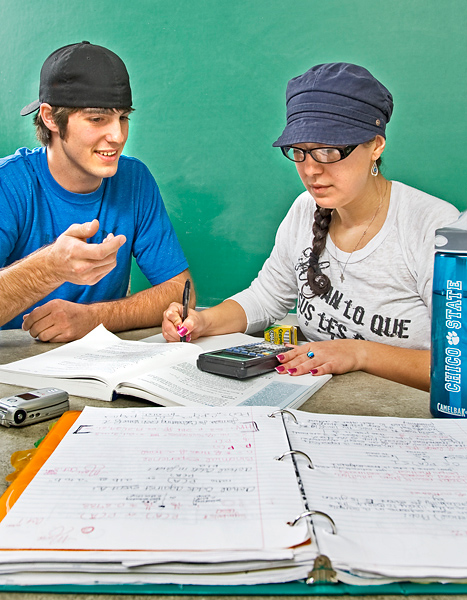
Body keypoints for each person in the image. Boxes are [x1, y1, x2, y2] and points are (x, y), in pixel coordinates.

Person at [162, 62, 459, 391]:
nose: (311, 171)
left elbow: (457, 366)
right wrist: (203, 320)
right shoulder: (305, 210)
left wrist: (359, 353)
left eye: (329, 151)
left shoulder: (435, 229)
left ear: (376, 145)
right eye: (300, 152)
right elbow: (265, 298)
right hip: (313, 402)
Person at [0, 41, 194, 342]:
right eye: (97, 119)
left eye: (123, 118)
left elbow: (180, 291)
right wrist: (49, 268)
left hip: (99, 369)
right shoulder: (9, 185)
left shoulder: (134, 179)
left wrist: (93, 318)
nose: (117, 136)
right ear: (50, 118)